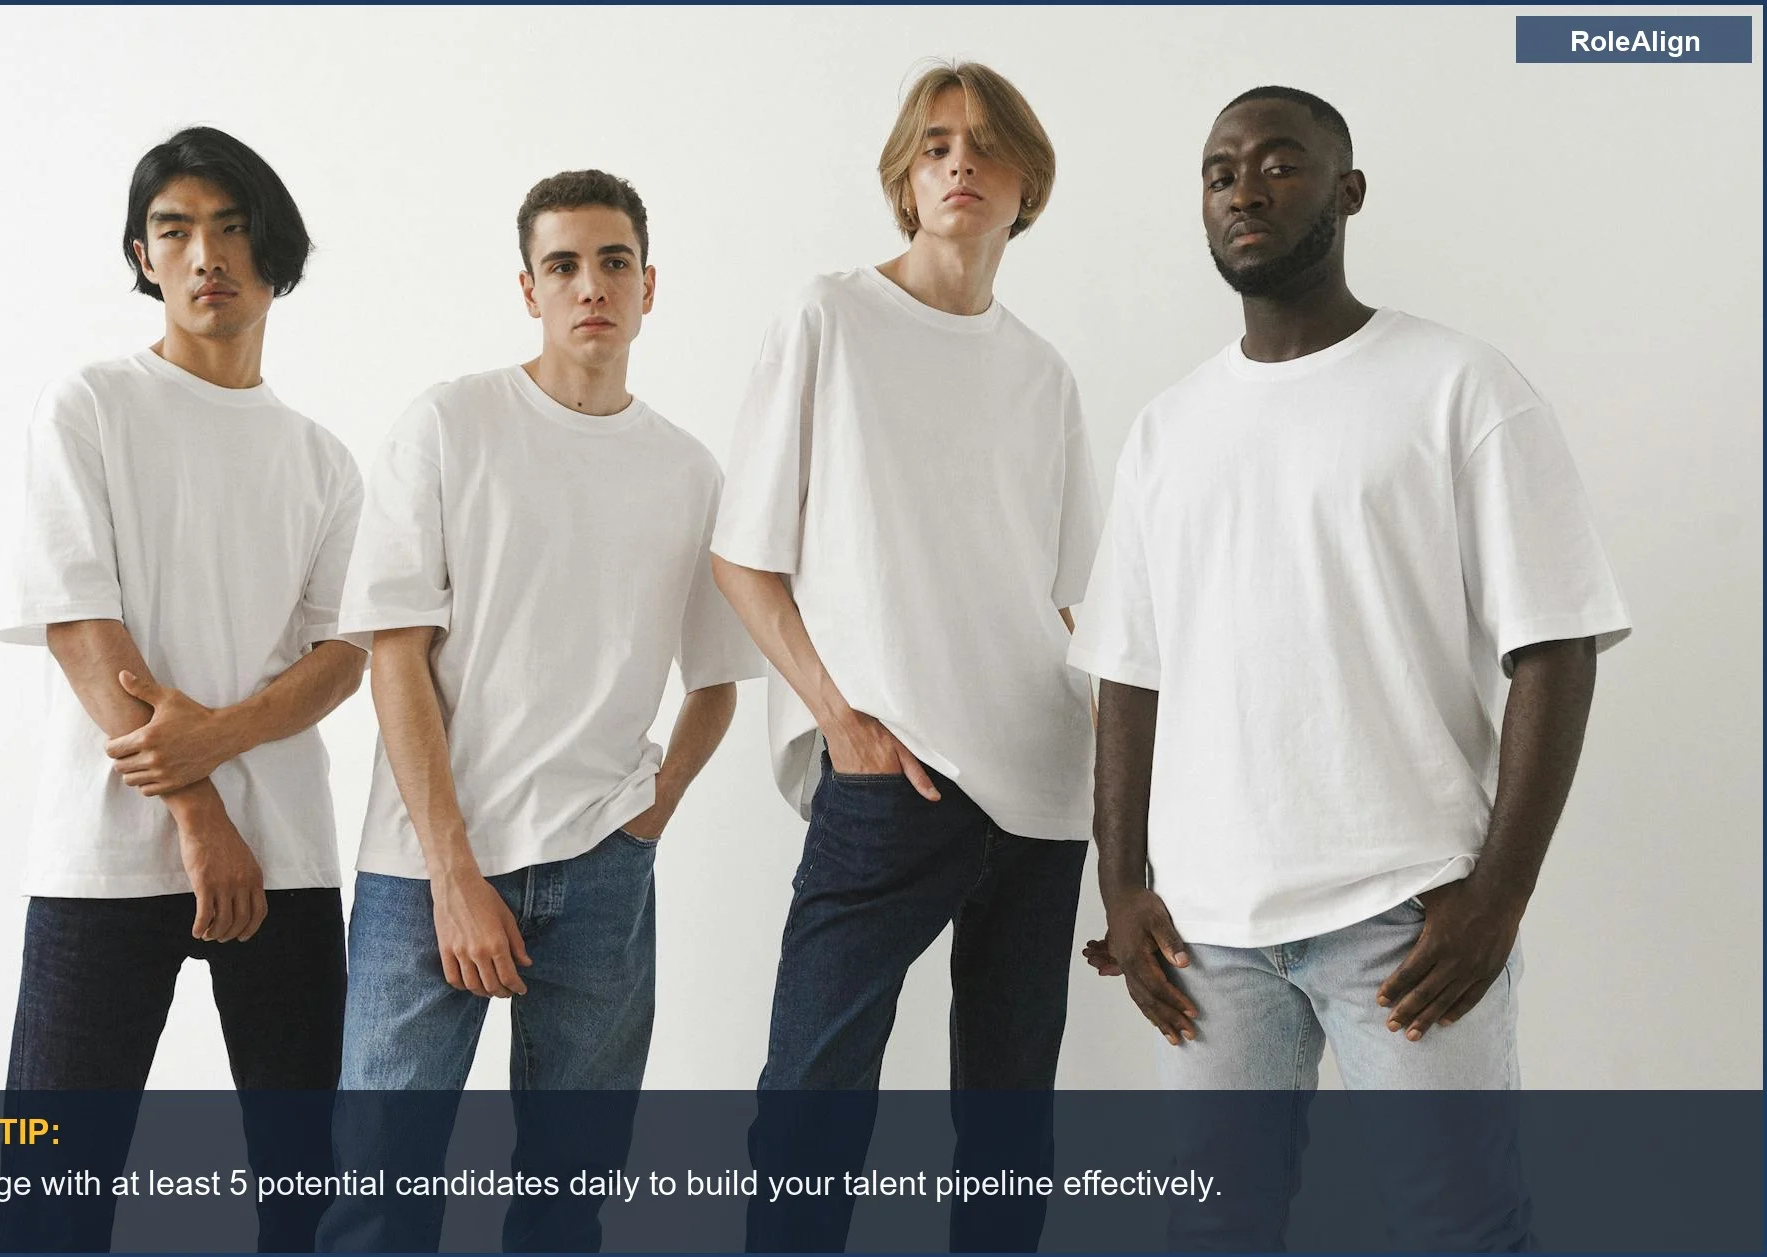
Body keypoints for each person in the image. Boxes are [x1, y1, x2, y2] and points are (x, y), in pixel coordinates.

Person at [1071, 86, 1632, 1250]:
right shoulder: (1168, 430)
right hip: (1206, 933)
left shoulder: (1458, 387)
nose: (1243, 189)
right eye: (1219, 172)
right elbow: (1127, 671)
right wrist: (1121, 887)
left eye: (1278, 164)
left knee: (1458, 1230)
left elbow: (1554, 643)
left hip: (1406, 917)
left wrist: (1499, 896)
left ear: (1348, 191)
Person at [317, 169, 761, 1254]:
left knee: (567, 1200)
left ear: (649, 286)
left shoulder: (688, 471)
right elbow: (393, 656)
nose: (589, 286)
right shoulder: (450, 425)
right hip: (426, 868)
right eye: (562, 265)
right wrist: (453, 874)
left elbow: (717, 679)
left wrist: (648, 815)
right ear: (528, 289)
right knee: (378, 1196)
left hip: (602, 871)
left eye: (614, 262)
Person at [710, 61, 1100, 1253]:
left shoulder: (1042, 374)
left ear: (1027, 183)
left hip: (1042, 788)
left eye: (984, 145)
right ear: (903, 177)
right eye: (933, 145)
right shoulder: (829, 319)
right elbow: (742, 557)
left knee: (1006, 1129)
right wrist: (840, 720)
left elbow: (1068, 606)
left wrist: (1118, 790)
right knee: (808, 1112)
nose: (958, 163)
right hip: (891, 777)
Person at [0, 125, 366, 1252]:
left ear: (276, 250)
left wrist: (221, 739)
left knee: (306, 1195)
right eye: (176, 230)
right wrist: (198, 807)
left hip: (286, 859)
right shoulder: (91, 405)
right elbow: (78, 621)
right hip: (108, 852)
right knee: (50, 1196)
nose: (207, 254)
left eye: (234, 227)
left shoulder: (322, 460)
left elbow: (341, 655)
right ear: (143, 256)